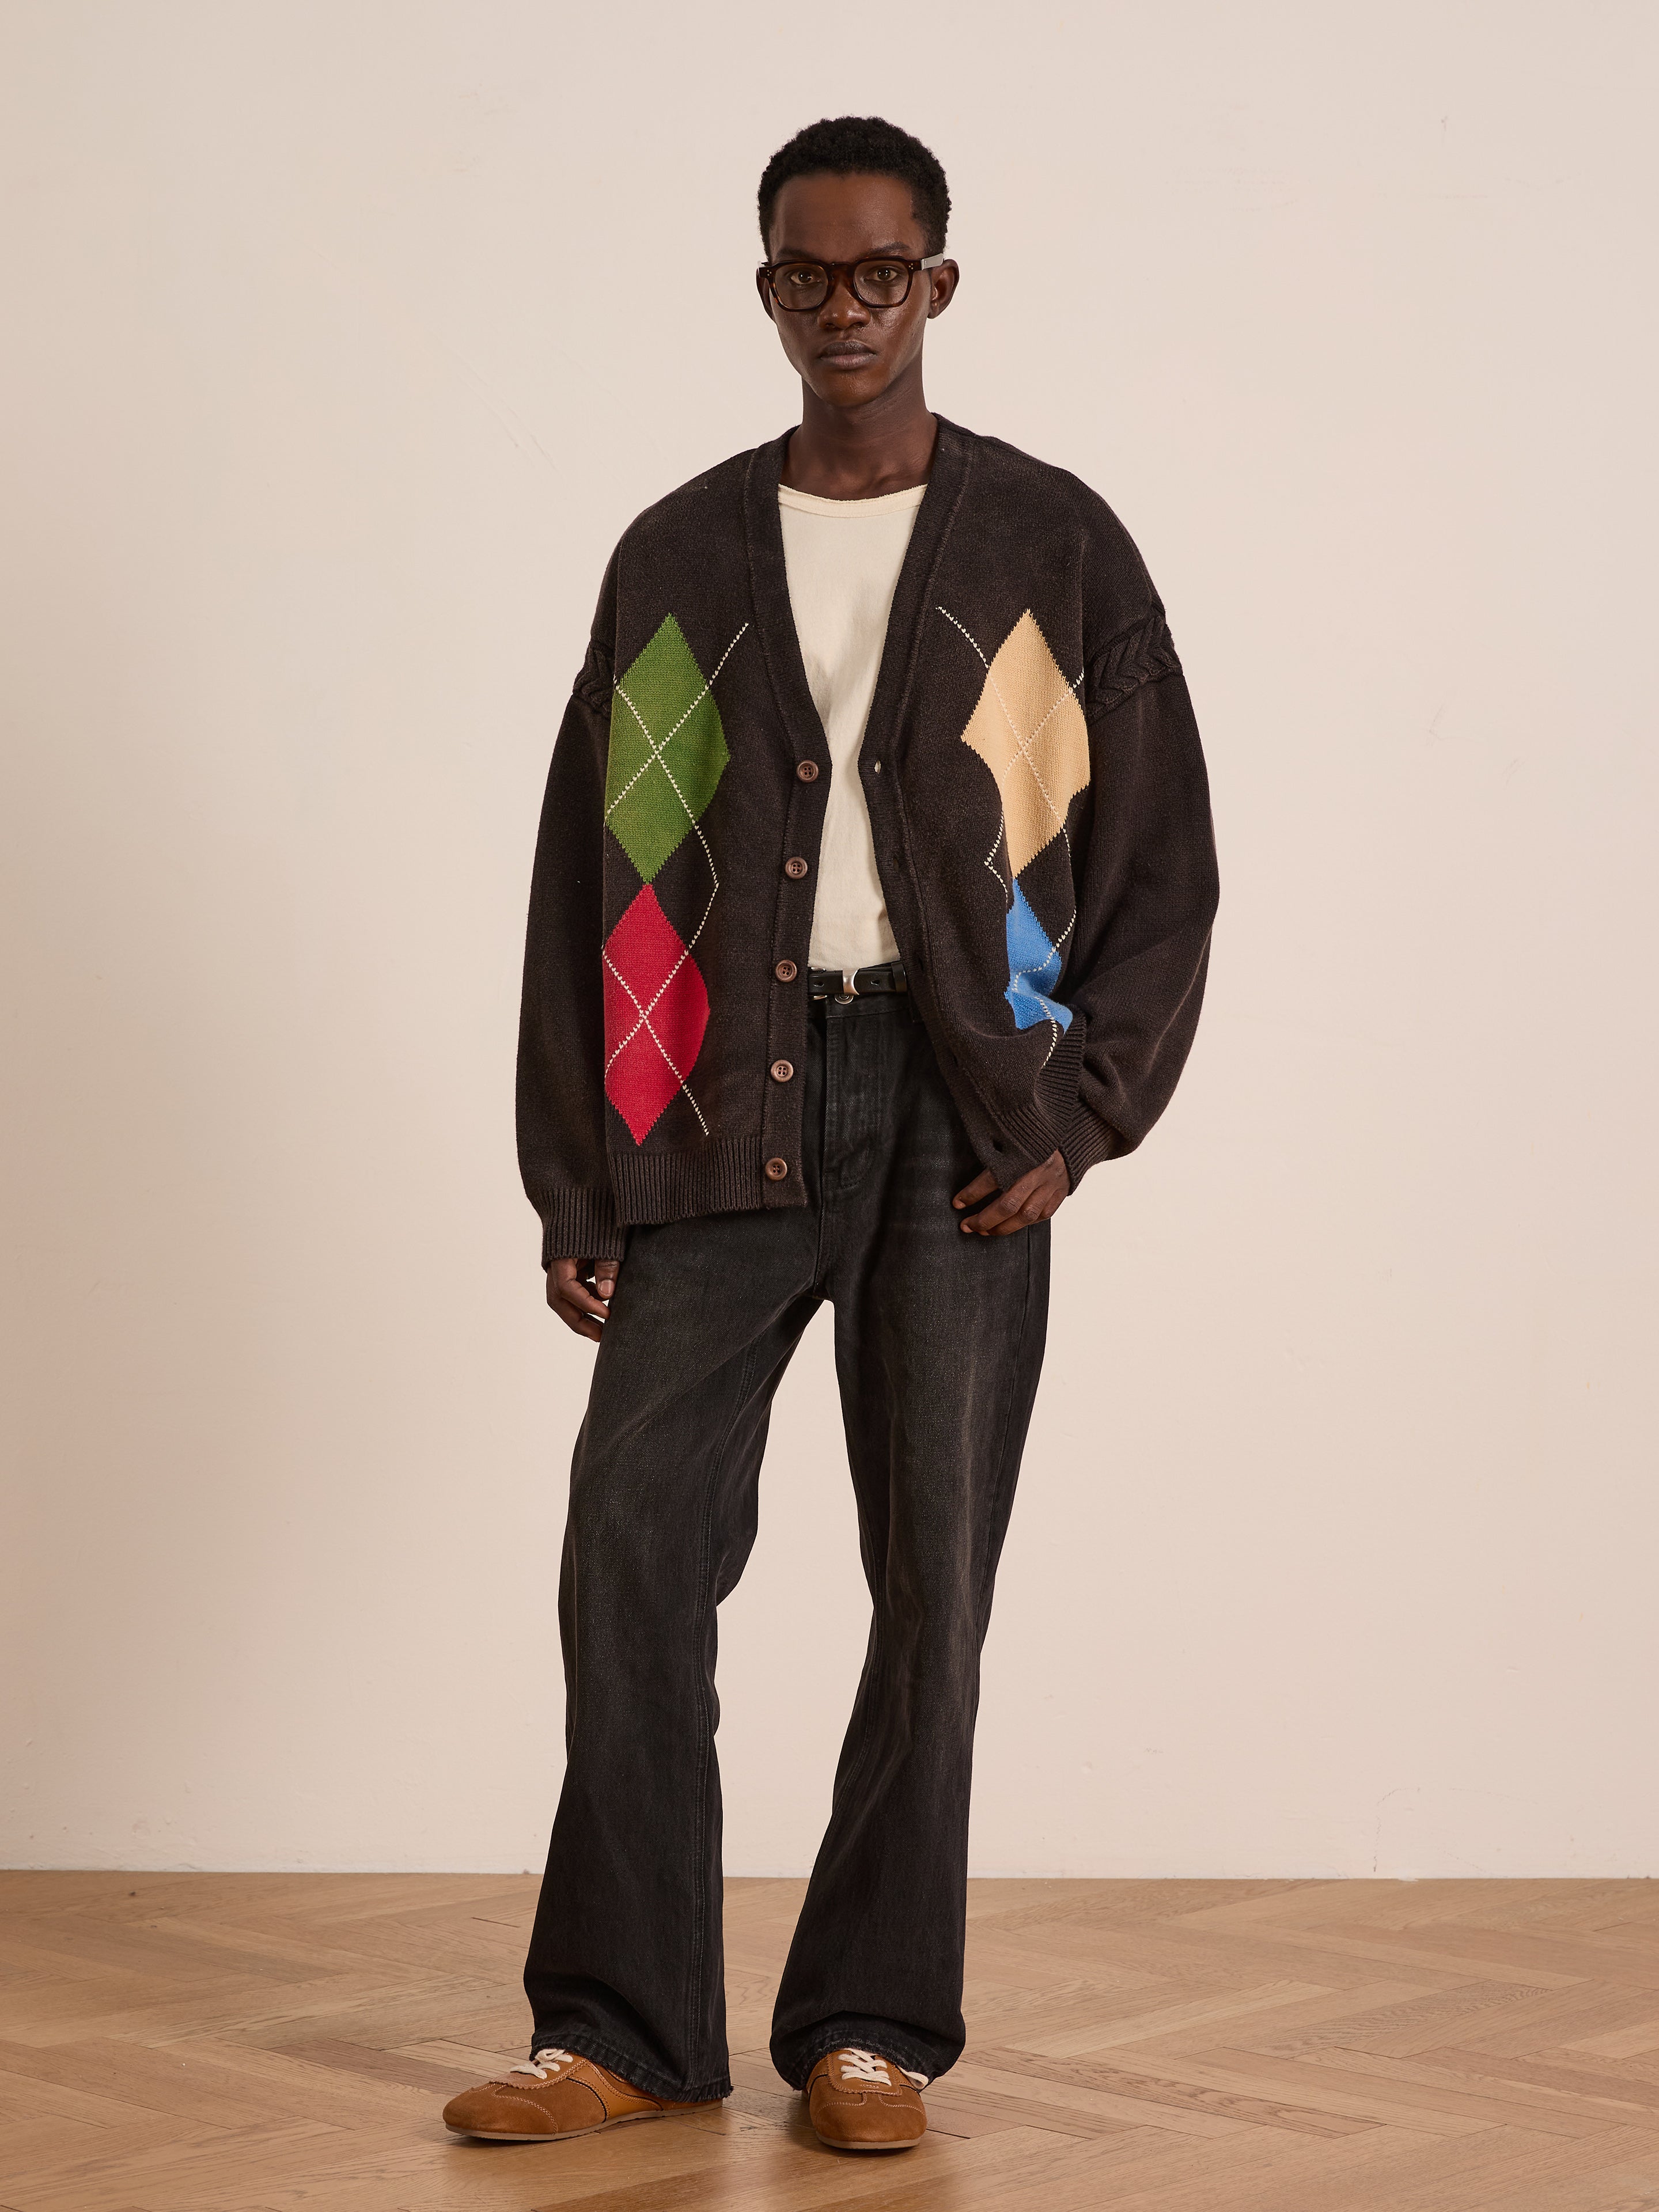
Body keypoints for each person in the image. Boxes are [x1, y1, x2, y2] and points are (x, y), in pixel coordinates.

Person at [442, 113, 1218, 2157]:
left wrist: (1082, 1105)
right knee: (631, 1535)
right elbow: (584, 878)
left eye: (886, 272)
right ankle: (616, 2019)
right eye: (812, 274)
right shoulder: (680, 556)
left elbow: (1162, 863)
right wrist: (574, 1165)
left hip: (962, 1115)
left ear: (940, 286)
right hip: (709, 1099)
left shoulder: (1053, 544)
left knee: (931, 1574)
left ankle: (872, 2019)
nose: (849, 307)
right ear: (767, 290)